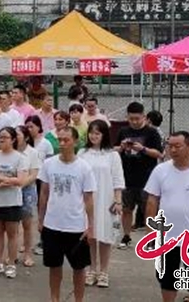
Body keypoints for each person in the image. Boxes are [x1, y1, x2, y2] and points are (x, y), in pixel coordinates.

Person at [144, 131, 189, 302]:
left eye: (178, 146)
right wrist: (151, 231)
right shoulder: (160, 170)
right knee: (167, 281)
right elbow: (152, 201)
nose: (173, 150)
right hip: (167, 238)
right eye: (170, 146)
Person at [38, 126, 96, 302]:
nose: (62, 143)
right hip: (52, 224)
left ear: (75, 141)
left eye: (66, 140)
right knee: (54, 266)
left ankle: (79, 299)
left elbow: (88, 199)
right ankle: (54, 298)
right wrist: (40, 219)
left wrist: (90, 226)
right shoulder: (49, 164)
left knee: (79, 268)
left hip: (76, 226)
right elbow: (44, 193)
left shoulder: (84, 167)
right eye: (59, 140)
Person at [78, 120, 124, 288]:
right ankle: (92, 269)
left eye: (97, 133)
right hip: (87, 200)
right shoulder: (83, 153)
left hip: (106, 199)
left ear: (104, 135)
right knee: (90, 236)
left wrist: (118, 200)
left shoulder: (112, 155)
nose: (94, 136)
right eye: (91, 132)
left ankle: (104, 271)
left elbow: (118, 180)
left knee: (105, 236)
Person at [114, 101, 163, 250]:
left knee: (149, 210)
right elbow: (114, 149)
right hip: (127, 176)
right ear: (127, 117)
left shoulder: (152, 132)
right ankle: (126, 236)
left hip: (147, 177)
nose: (134, 122)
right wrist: (121, 147)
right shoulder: (123, 131)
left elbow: (159, 153)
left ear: (144, 117)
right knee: (127, 209)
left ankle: (151, 239)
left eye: (137, 118)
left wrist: (143, 149)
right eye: (131, 119)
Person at [0, 127, 29, 280]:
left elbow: (21, 180)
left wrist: (2, 181)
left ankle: (11, 263)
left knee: (12, 234)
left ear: (13, 139)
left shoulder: (19, 157)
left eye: (5, 137)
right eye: (0, 137)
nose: (2, 139)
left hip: (12, 201)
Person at [17, 125, 42, 267]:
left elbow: (34, 175)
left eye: (18, 135)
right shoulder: (10, 151)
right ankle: (12, 253)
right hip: (10, 190)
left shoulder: (32, 153)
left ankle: (27, 253)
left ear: (26, 137)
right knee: (12, 226)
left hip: (27, 191)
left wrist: (19, 184)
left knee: (27, 224)